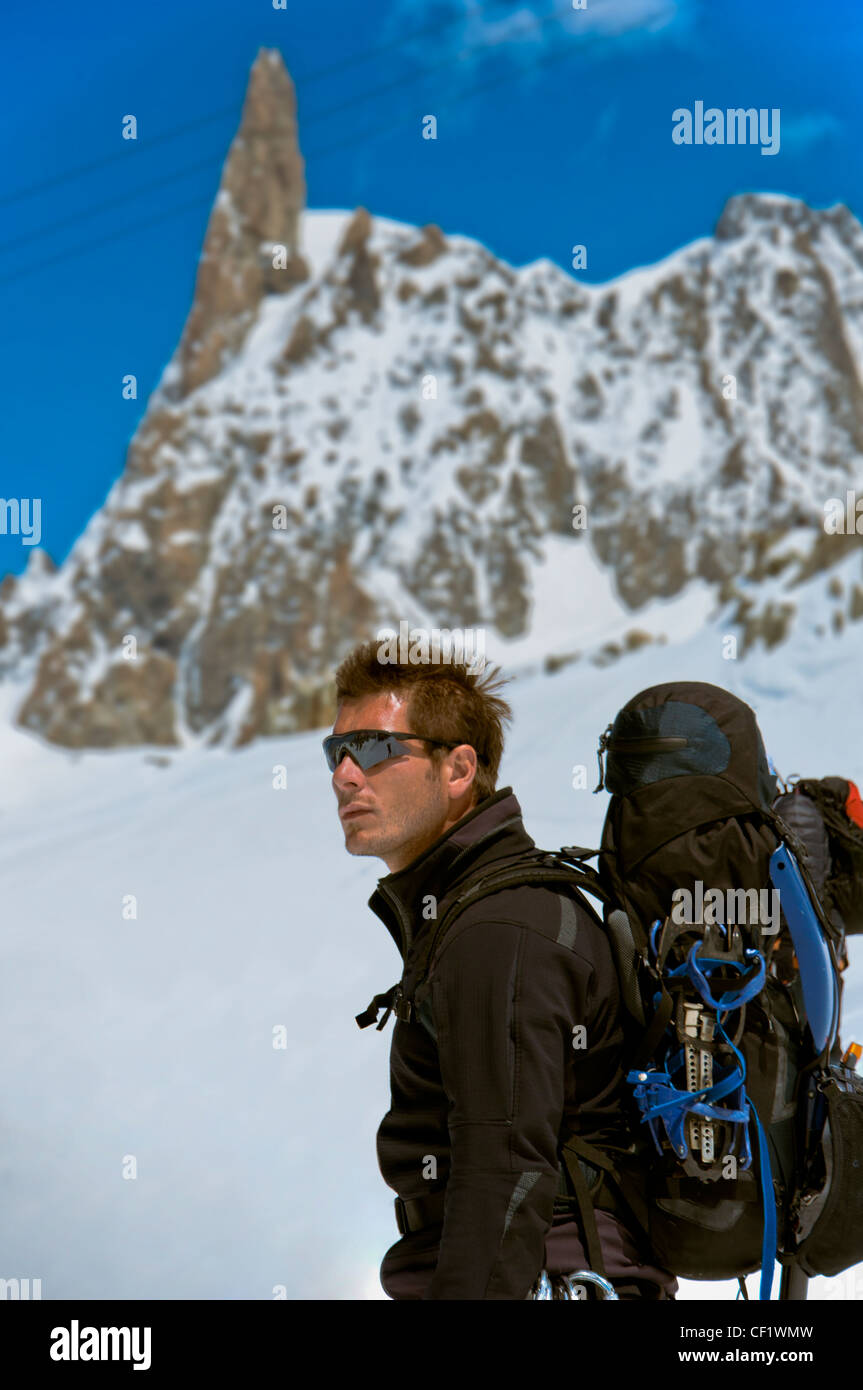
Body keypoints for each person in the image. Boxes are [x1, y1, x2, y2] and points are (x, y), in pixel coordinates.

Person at [325, 641, 677, 1300]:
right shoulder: (483, 915)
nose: (346, 774)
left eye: (374, 748)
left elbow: (502, 1172)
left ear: (457, 768)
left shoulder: (499, 933)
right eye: (336, 753)